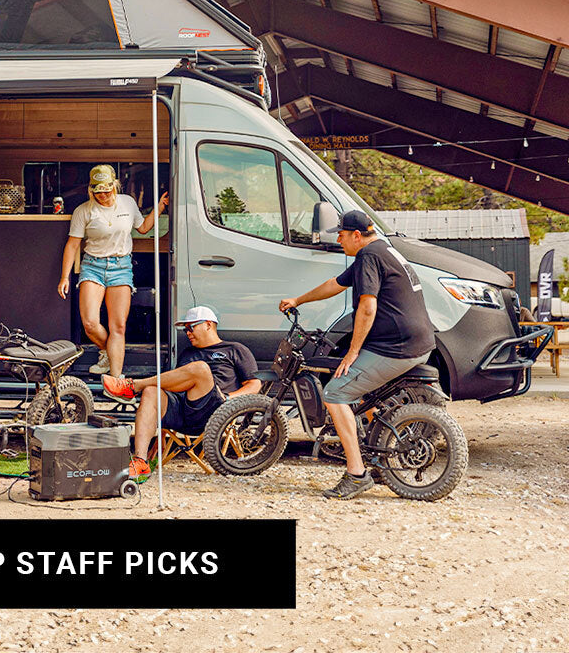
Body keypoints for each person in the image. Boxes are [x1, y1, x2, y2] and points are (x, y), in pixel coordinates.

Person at [279, 208, 435, 500]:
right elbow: (334, 284)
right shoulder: (381, 250)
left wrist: (352, 352)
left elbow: (367, 307)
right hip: (414, 342)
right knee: (361, 392)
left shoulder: (369, 256)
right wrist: (298, 299)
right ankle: (376, 459)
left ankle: (356, 474)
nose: (338, 241)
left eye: (339, 235)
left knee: (336, 393)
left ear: (355, 235)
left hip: (397, 347)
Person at [102, 305, 261, 481]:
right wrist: (159, 434)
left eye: (191, 327)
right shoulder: (188, 353)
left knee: (201, 369)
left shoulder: (235, 349)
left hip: (216, 410)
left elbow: (254, 384)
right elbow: (172, 388)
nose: (187, 333)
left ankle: (134, 385)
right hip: (185, 412)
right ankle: (140, 461)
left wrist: (230, 398)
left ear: (208, 324)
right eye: (185, 329)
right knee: (151, 390)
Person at [57, 165, 168, 382]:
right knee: (90, 323)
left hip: (121, 266)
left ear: (115, 186)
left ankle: (116, 378)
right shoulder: (84, 211)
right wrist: (64, 276)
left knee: (118, 326)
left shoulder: (127, 202)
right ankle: (106, 351)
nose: (103, 195)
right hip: (93, 266)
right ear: (91, 190)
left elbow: (144, 228)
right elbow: (72, 245)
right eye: (98, 191)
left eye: (107, 190)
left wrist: (159, 207)